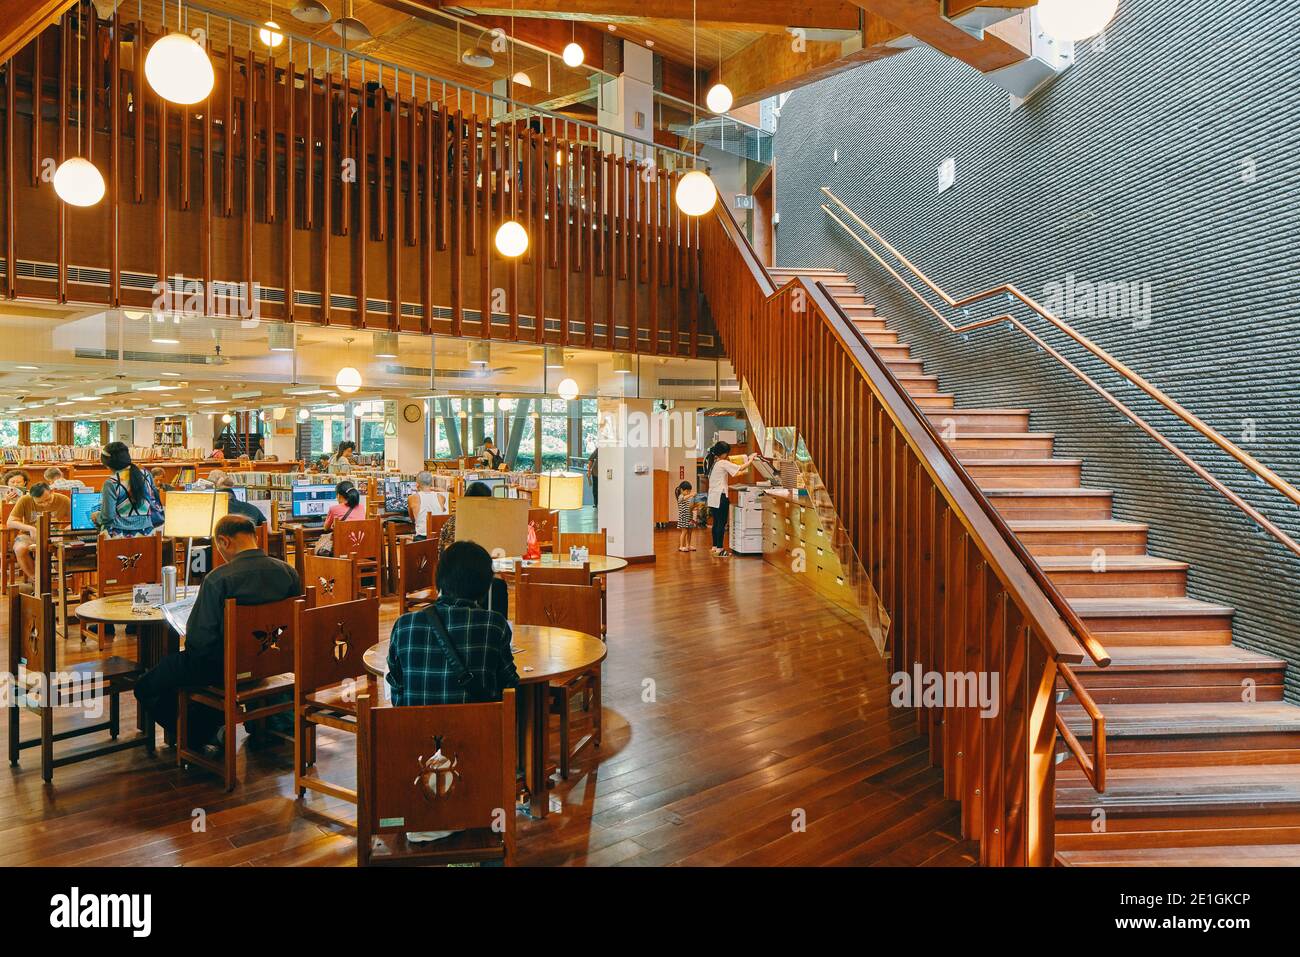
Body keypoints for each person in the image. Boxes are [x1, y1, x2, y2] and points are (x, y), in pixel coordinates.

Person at [134, 514, 301, 751]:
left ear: (224, 541)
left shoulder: (218, 579)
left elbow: (199, 641)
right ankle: (212, 724)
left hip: (221, 667)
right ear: (254, 537)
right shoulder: (287, 572)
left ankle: (196, 736)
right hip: (272, 661)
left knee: (147, 685)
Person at [386, 540, 519, 707]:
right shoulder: (493, 624)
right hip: (479, 729)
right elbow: (509, 683)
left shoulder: (405, 625)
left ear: (439, 577)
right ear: (485, 586)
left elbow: (396, 683)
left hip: (417, 729)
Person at [437, 481, 507, 616]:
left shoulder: (453, 520)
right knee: (497, 587)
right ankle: (494, 624)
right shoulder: (465, 522)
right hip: (461, 577)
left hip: (450, 576)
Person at [96, 442, 162, 536]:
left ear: (107, 464)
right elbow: (153, 501)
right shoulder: (146, 475)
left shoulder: (111, 483)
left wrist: (97, 517)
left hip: (118, 535)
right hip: (146, 533)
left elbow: (108, 517)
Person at [6, 482, 70, 579]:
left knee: (65, 549)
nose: (44, 504)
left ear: (52, 492)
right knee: (20, 549)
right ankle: (36, 579)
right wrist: (31, 528)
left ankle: (60, 579)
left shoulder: (63, 499)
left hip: (54, 535)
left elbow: (76, 520)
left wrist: (66, 530)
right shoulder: (25, 500)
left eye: (48, 500)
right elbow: (10, 522)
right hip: (28, 535)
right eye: (39, 502)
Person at [704, 441, 755, 558]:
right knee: (721, 524)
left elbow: (735, 472)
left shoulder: (713, 463)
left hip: (713, 497)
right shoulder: (722, 462)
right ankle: (720, 550)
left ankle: (715, 547)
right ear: (724, 453)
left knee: (716, 523)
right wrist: (751, 460)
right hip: (721, 497)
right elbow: (740, 467)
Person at [407, 470, 448, 539]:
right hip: (439, 539)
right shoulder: (441, 497)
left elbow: (413, 519)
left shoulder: (412, 498)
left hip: (422, 539)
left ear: (417, 484)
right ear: (431, 483)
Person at [675, 481, 696, 553]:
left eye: (689, 491)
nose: (688, 492)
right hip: (683, 517)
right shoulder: (680, 496)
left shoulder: (688, 497)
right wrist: (691, 495)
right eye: (687, 491)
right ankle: (681, 546)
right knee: (684, 531)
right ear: (681, 490)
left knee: (690, 531)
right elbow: (683, 498)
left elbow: (690, 506)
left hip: (690, 517)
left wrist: (695, 507)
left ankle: (688, 545)